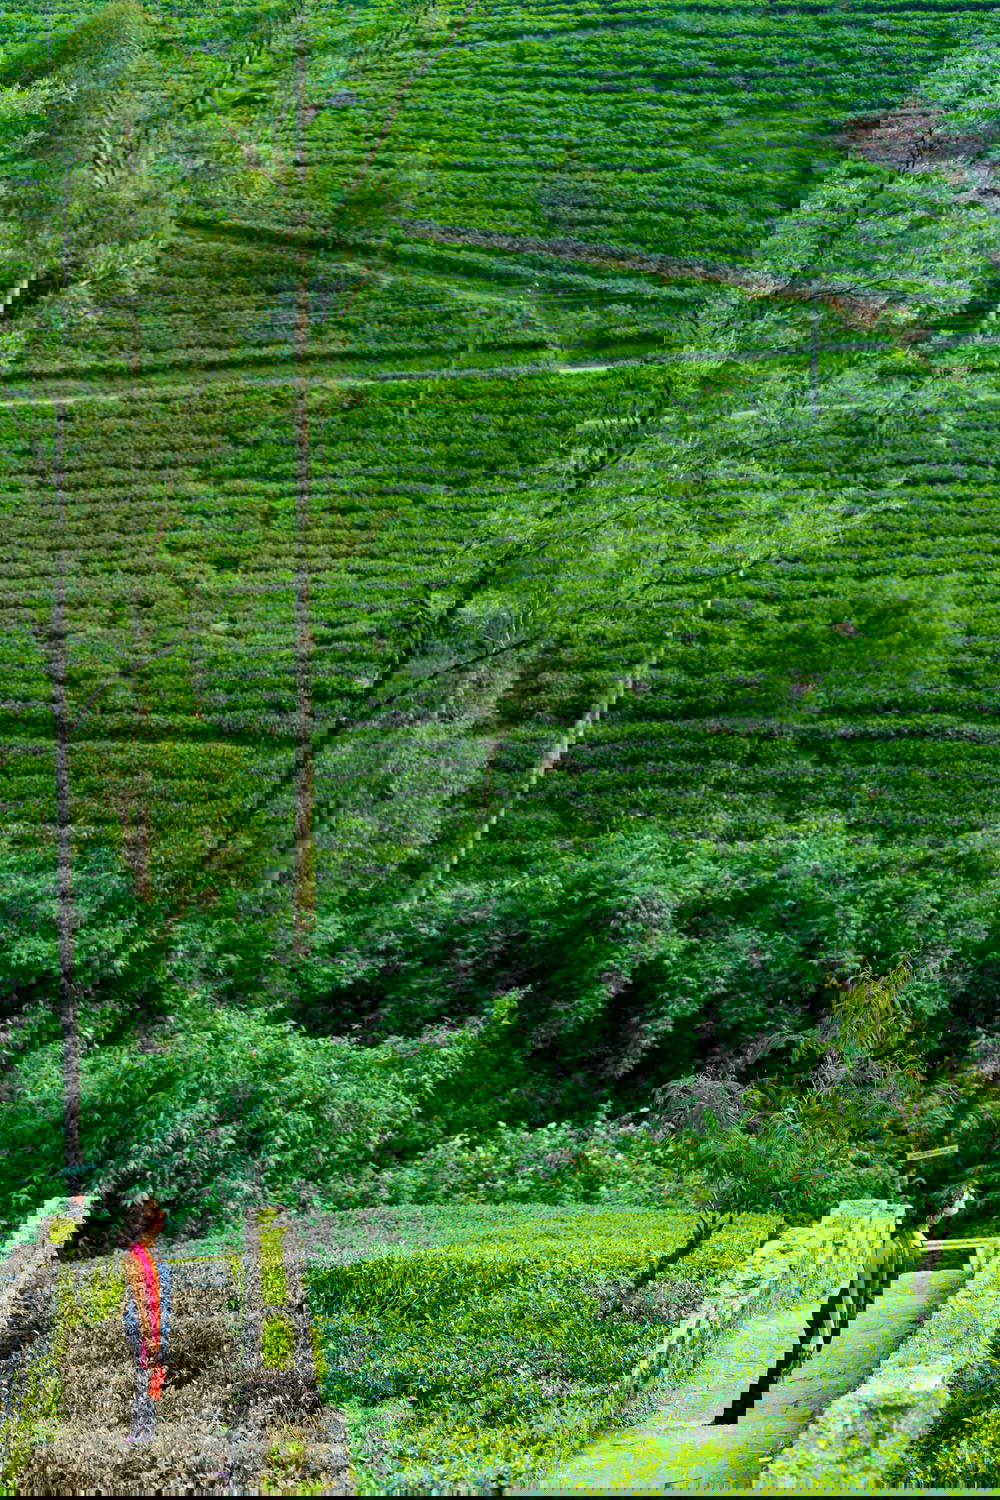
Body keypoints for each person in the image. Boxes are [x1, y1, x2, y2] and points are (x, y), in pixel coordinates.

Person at [120, 1195, 171, 1443]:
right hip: (145, 1325)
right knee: (146, 1375)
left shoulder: (151, 1253)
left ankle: (150, 1430)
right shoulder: (135, 1255)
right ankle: (141, 1432)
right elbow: (141, 1299)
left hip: (157, 1321)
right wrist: (150, 1334)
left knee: (155, 1375)